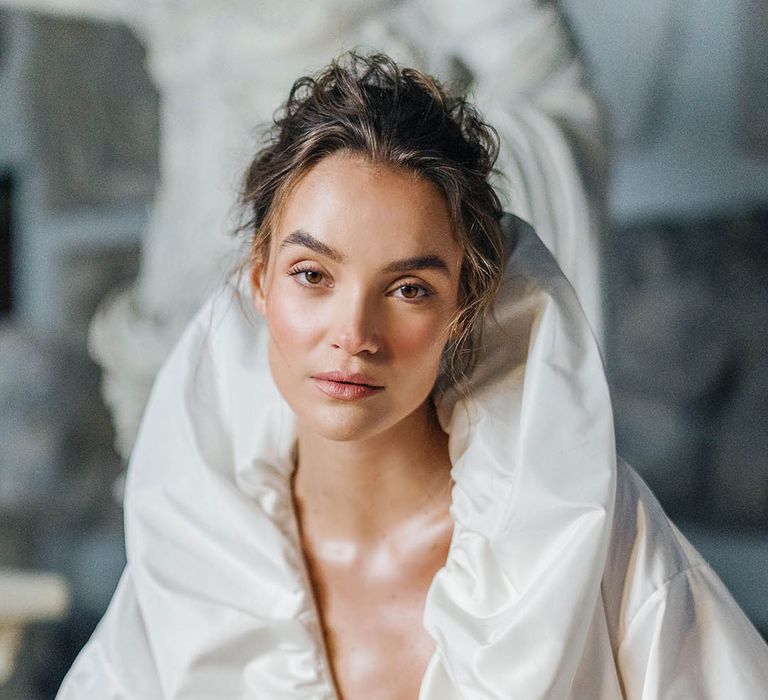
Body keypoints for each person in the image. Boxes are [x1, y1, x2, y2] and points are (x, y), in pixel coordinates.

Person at [57, 52, 768, 700]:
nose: (355, 335)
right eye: (313, 275)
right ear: (260, 283)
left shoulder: (577, 528)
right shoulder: (197, 551)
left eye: (409, 289)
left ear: (463, 307)